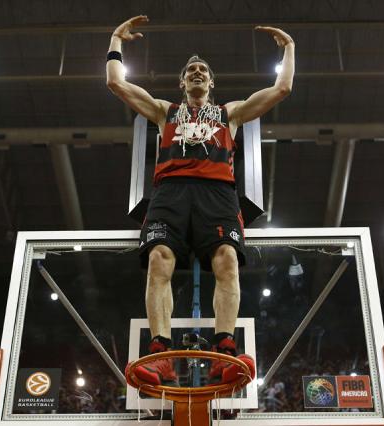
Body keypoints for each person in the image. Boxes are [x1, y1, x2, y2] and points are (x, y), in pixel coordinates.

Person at [107, 15, 294, 386]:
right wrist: (116, 40)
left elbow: (282, 89)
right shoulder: (165, 112)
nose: (196, 72)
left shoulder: (231, 114)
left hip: (217, 195)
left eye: (202, 70)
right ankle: (159, 353)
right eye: (190, 70)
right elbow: (115, 82)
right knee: (159, 260)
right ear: (182, 82)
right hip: (170, 192)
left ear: (211, 82)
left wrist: (289, 48)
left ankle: (225, 351)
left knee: (226, 259)